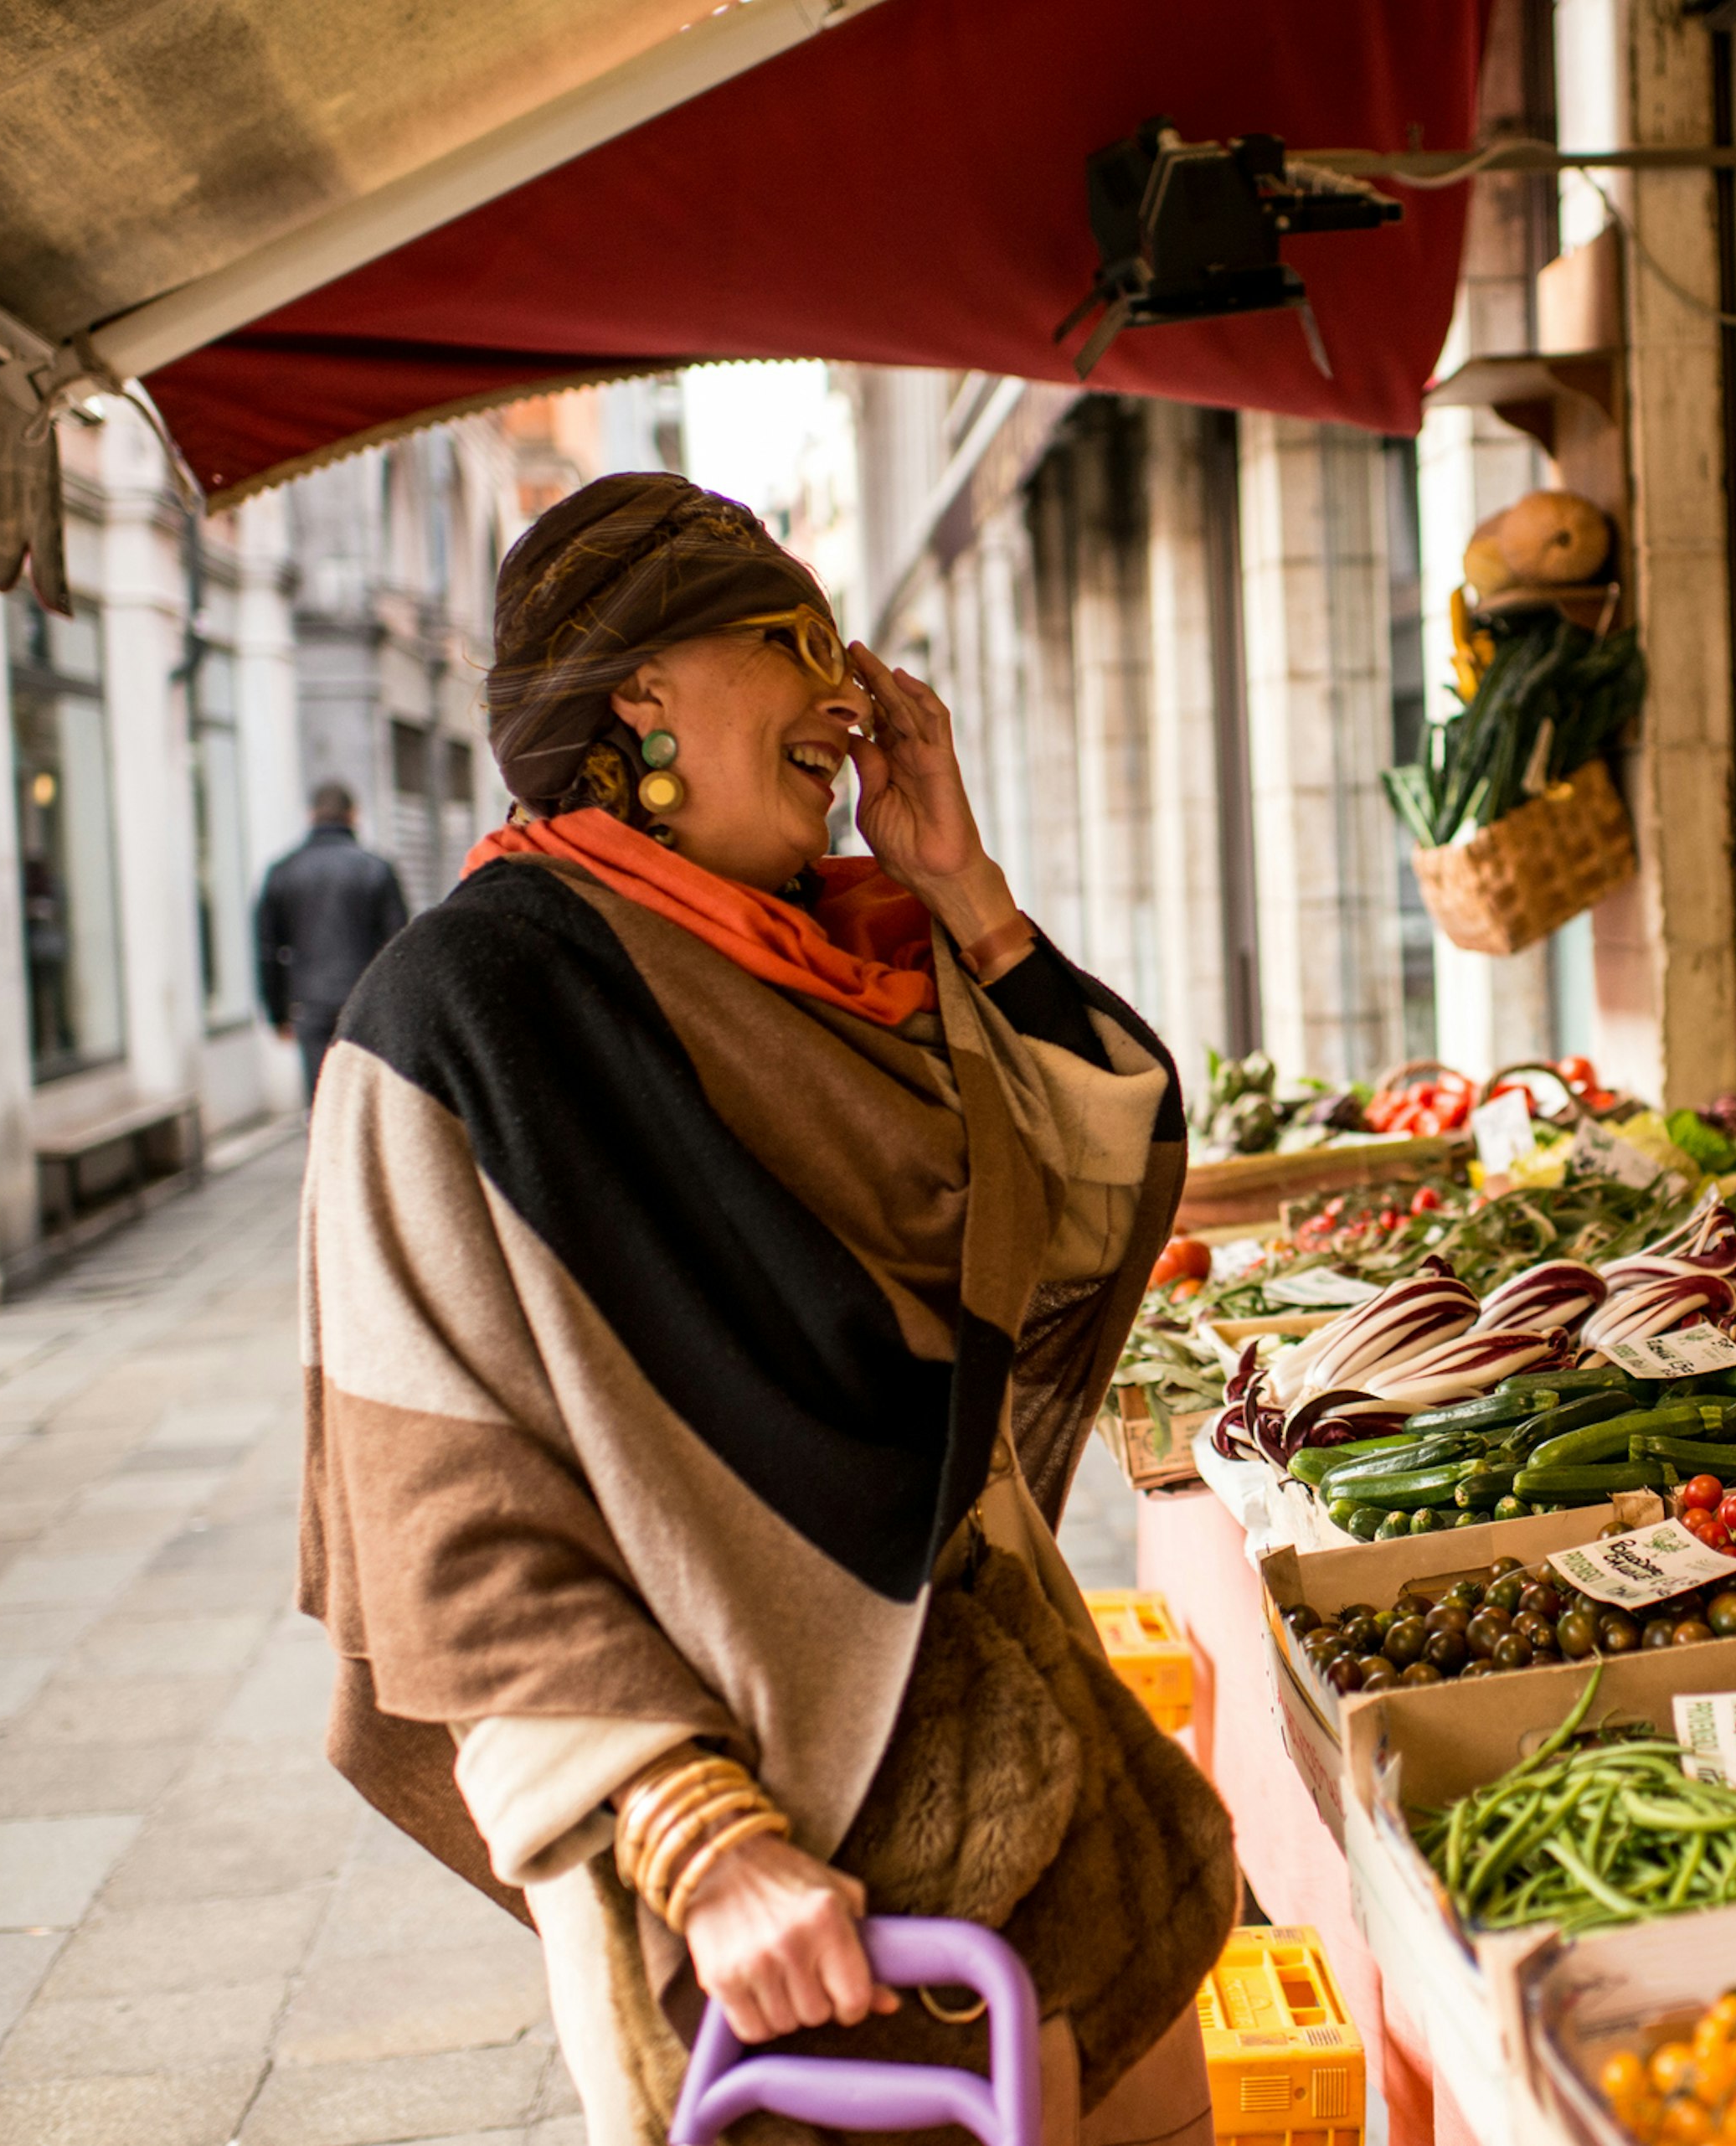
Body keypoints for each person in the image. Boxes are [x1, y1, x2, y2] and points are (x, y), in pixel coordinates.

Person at [296, 475, 1231, 2146]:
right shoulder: (452, 1013)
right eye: (793, 643)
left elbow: (1088, 1228)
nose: (848, 693)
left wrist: (968, 894)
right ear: (638, 690)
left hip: (1060, 1794)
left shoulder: (865, 954)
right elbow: (442, 1512)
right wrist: (702, 1844)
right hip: (786, 1894)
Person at [256, 783, 410, 1101]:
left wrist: (277, 1014)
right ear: (354, 816)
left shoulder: (282, 872)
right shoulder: (377, 869)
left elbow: (266, 950)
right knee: (368, 1101)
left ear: (310, 816)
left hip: (308, 1005)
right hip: (367, 1004)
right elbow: (399, 944)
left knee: (322, 1100)